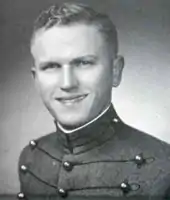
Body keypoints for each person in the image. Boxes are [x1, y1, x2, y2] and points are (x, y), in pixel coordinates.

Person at [17, 2, 170, 200]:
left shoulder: (164, 165)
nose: (67, 83)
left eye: (83, 63)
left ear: (115, 71)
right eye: (52, 66)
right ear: (36, 79)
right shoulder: (30, 159)